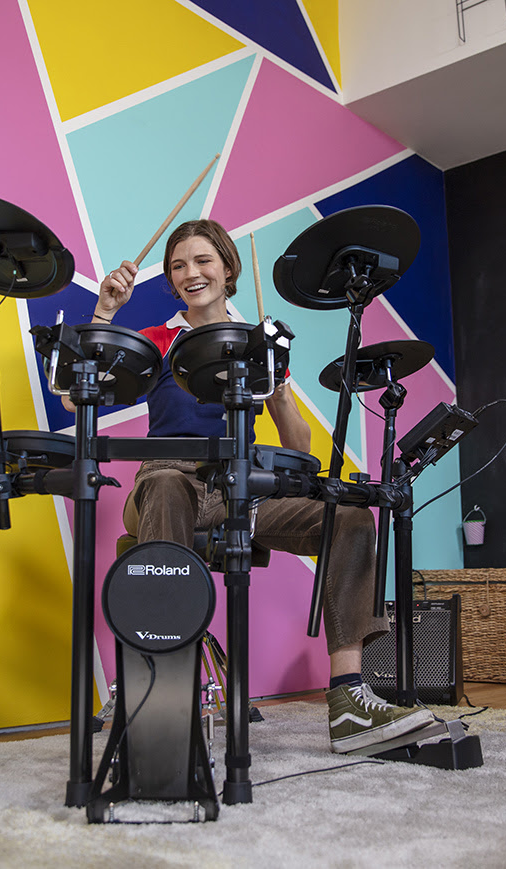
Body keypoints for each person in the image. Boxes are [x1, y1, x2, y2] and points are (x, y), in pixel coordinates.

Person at [90, 218, 433, 754]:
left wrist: (277, 379)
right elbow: (78, 395)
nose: (190, 273)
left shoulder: (256, 344)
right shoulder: (159, 340)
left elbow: (299, 445)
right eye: (178, 265)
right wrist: (106, 312)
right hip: (166, 481)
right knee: (167, 486)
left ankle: (348, 697)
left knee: (348, 517)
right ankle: (160, 689)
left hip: (239, 488)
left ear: (228, 268)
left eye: (202, 260)